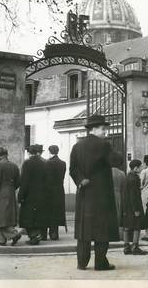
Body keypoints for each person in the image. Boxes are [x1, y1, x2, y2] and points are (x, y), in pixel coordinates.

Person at [70, 114, 121, 271]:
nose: (105, 131)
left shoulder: (77, 146)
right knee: (102, 228)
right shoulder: (104, 145)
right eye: (103, 129)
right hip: (101, 193)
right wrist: (112, 148)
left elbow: (73, 169)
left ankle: (82, 262)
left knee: (84, 228)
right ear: (95, 129)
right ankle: (100, 263)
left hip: (85, 192)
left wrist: (81, 180)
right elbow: (116, 161)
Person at [0, 147, 21, 246]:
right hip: (11, 192)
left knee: (0, 217)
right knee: (5, 217)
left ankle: (13, 234)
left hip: (0, 194)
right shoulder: (14, 166)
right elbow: (18, 182)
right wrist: (11, 188)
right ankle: (1, 240)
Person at [18, 145, 48, 245]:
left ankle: (34, 236)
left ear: (29, 153)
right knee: (38, 216)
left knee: (28, 217)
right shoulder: (44, 163)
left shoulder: (27, 163)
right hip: (42, 194)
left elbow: (24, 181)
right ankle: (37, 234)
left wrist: (20, 196)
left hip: (29, 195)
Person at [122, 159, 147, 255]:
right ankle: (135, 247)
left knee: (127, 226)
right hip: (134, 206)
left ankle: (126, 247)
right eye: (140, 167)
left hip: (126, 206)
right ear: (136, 168)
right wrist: (136, 209)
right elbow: (134, 195)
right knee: (137, 226)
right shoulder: (135, 178)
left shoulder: (127, 177)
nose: (141, 168)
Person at [44, 145, 66, 241]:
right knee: (57, 211)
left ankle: (49, 232)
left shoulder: (47, 163)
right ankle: (55, 233)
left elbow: (46, 178)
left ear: (49, 151)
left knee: (48, 211)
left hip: (49, 190)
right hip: (60, 190)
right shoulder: (63, 163)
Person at [111, 154, 126, 240]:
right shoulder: (121, 174)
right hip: (118, 195)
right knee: (118, 213)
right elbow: (124, 188)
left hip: (107, 195)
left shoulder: (106, 172)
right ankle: (117, 233)